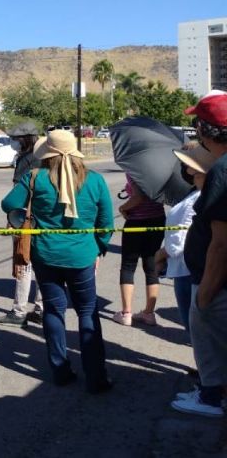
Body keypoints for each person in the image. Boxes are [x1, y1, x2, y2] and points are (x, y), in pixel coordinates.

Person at [1, 130, 114, 393]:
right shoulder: (94, 180)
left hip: (46, 255)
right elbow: (106, 222)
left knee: (54, 310)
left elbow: (8, 204)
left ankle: (60, 369)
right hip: (82, 255)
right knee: (87, 311)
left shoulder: (35, 178)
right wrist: (98, 247)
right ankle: (96, 376)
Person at [174, 90, 227, 418]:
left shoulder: (221, 170)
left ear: (207, 131)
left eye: (198, 125)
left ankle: (211, 400)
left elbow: (221, 243)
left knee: (212, 345)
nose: (196, 131)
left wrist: (204, 294)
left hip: (216, 284)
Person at [157, 143, 213, 335]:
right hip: (187, 266)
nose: (189, 173)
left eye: (195, 171)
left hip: (187, 268)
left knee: (196, 329)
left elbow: (179, 243)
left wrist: (160, 255)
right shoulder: (196, 193)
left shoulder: (199, 198)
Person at [0, 129, 44, 326]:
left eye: (15, 139)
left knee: (23, 263)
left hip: (26, 220)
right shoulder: (46, 159)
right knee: (41, 266)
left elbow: (16, 196)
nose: (13, 142)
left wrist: (12, 219)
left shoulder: (26, 160)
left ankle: (19, 310)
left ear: (24, 139)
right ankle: (40, 308)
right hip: (46, 222)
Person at [112, 174, 166, 326]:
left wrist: (122, 208)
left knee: (128, 265)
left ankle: (126, 313)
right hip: (157, 218)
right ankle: (149, 313)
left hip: (137, 220)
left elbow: (138, 197)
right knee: (151, 265)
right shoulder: (159, 169)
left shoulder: (135, 168)